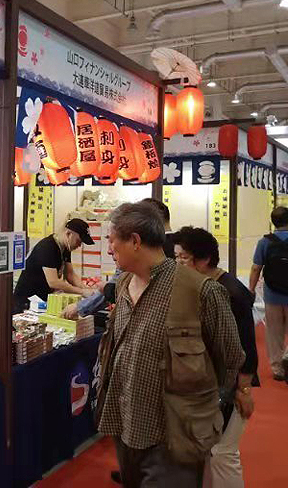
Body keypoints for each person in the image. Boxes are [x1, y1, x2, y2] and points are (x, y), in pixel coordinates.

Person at [97, 202, 244, 488]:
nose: (109, 249)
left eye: (111, 240)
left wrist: (203, 410)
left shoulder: (201, 291)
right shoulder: (124, 284)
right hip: (125, 424)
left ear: (135, 241)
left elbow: (230, 357)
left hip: (174, 434)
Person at [173, 226, 258, 488]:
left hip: (230, 385)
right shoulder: (201, 285)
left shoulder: (229, 293)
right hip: (208, 383)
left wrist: (243, 389)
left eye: (183, 257)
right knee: (209, 452)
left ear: (204, 260)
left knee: (223, 453)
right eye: (176, 257)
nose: (178, 263)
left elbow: (246, 346)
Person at [13, 218, 95, 313]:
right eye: (78, 241)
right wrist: (82, 292)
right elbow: (53, 282)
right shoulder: (48, 247)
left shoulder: (65, 248)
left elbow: (70, 275)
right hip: (26, 302)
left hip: (42, 300)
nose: (79, 245)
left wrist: (87, 290)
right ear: (68, 234)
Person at [249, 206, 288, 381]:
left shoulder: (265, 242)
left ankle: (277, 368)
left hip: (272, 294)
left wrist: (251, 290)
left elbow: (256, 268)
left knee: (273, 332)